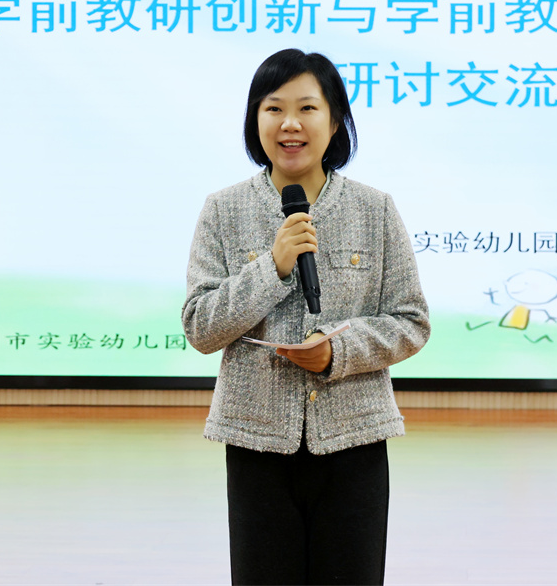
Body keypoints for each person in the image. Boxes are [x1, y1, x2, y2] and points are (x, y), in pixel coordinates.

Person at [181, 48, 430, 585]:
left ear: (335, 121)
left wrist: (338, 351)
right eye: (273, 108)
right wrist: (271, 268)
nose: (289, 123)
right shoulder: (223, 210)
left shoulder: (375, 209)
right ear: (255, 120)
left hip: (354, 438)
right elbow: (200, 326)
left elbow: (411, 321)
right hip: (256, 439)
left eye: (307, 108)